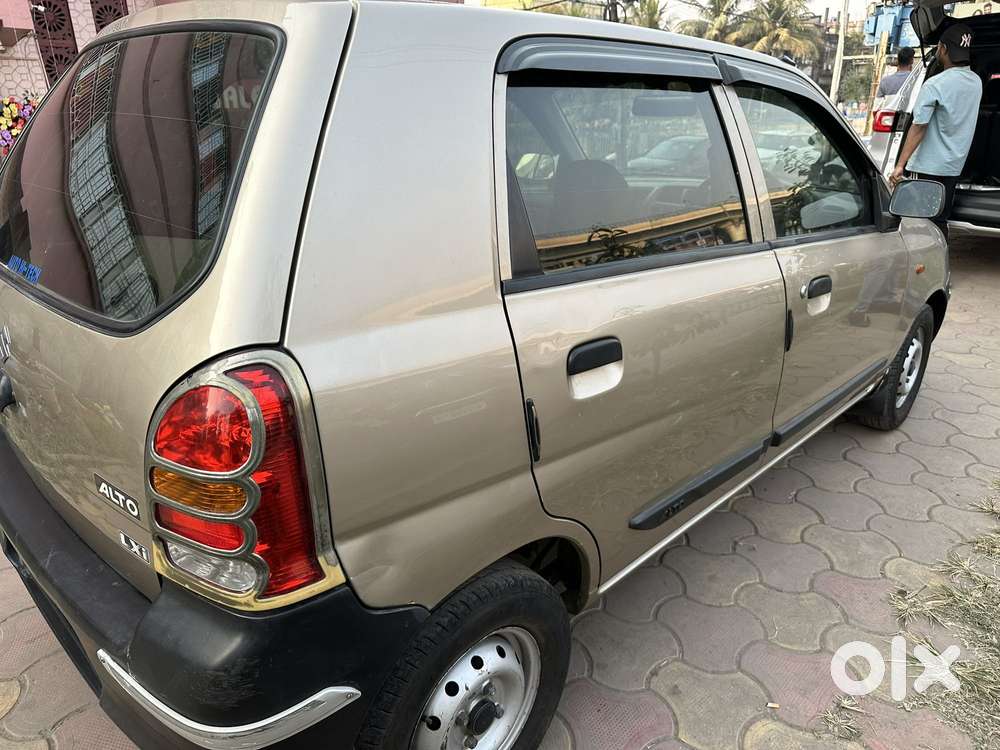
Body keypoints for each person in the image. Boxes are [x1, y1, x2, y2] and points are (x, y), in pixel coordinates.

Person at [890, 24, 983, 238]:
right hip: (953, 166)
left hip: (926, 168)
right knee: (939, 221)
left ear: (943, 49)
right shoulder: (976, 82)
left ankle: (923, 266)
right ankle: (938, 260)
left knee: (917, 224)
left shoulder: (935, 84)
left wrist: (900, 165)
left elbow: (919, 126)